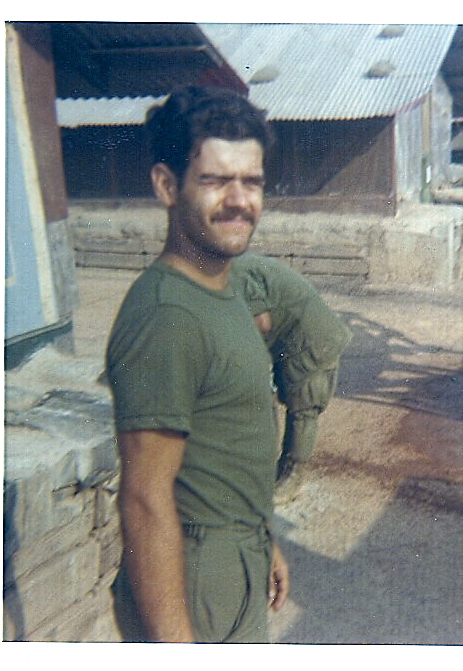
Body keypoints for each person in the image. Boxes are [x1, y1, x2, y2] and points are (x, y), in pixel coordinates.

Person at [105, 86, 289, 643]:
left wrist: (261, 539)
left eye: (252, 182)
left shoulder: (220, 287)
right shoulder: (167, 314)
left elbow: (223, 446)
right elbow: (144, 497)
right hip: (192, 581)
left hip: (235, 556)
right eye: (214, 181)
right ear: (167, 186)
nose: (239, 200)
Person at [231, 254, 352, 504]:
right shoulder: (217, 270)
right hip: (287, 337)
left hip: (312, 338)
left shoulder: (230, 273)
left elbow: (261, 322)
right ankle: (264, 469)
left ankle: (293, 477)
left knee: (303, 408)